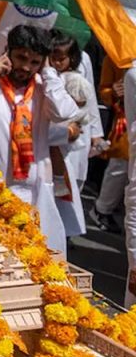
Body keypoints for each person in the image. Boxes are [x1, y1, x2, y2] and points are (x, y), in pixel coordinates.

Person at [0, 25, 79, 255]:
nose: (25, 67)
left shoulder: (45, 88)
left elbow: (65, 112)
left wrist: (49, 73)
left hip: (35, 192)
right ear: (7, 52)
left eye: (35, 62)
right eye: (21, 57)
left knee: (35, 261)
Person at [45, 30, 101, 240]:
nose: (57, 62)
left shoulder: (74, 79)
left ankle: (64, 232)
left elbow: (83, 104)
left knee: (68, 183)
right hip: (55, 132)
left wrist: (94, 133)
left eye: (61, 58)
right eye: (54, 58)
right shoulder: (52, 74)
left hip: (70, 132)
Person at [93, 58, 127, 232]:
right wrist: (113, 91)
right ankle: (102, 209)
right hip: (127, 122)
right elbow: (104, 92)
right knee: (119, 168)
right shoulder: (115, 56)